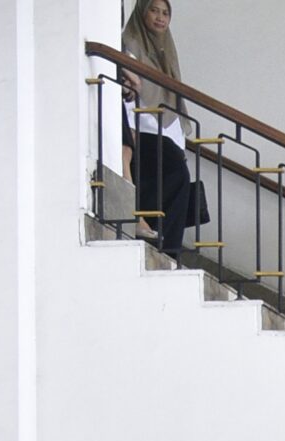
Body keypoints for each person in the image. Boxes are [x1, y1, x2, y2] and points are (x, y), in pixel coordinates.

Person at [118, 0, 195, 257]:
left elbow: (170, 100)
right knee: (176, 173)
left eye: (165, 13)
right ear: (142, 12)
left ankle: (166, 249)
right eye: (154, 10)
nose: (160, 18)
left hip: (162, 134)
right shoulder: (129, 45)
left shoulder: (165, 52)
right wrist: (130, 130)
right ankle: (167, 250)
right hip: (138, 131)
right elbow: (127, 94)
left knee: (177, 179)